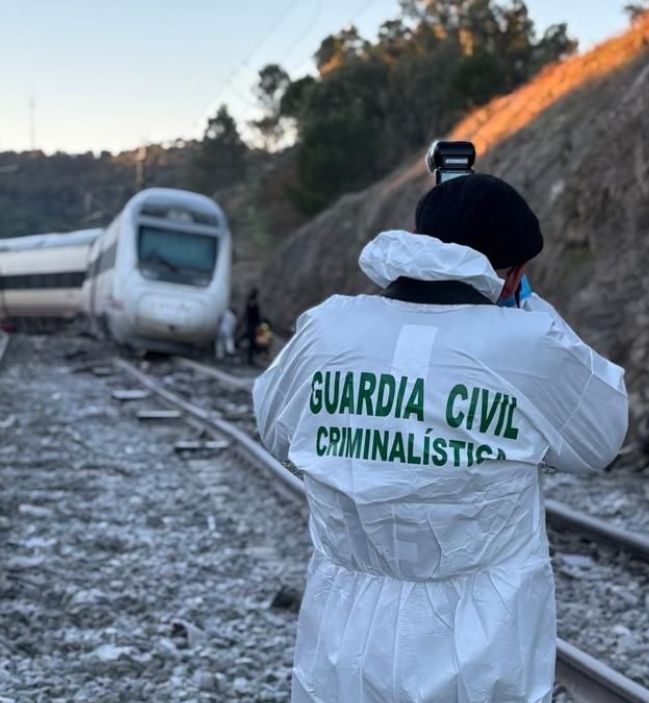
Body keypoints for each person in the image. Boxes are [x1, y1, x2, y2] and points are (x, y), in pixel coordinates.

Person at [253, 174, 628, 703]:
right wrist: (530, 310)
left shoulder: (326, 328)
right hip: (481, 647)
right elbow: (601, 439)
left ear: (417, 240)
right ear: (514, 275)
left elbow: (276, 431)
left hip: (344, 638)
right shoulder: (529, 344)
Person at [244, 288, 262, 366]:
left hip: (251, 324)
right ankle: (250, 360)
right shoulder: (252, 303)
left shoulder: (250, 302)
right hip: (252, 325)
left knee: (252, 343)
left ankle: (250, 359)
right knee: (252, 343)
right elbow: (255, 315)